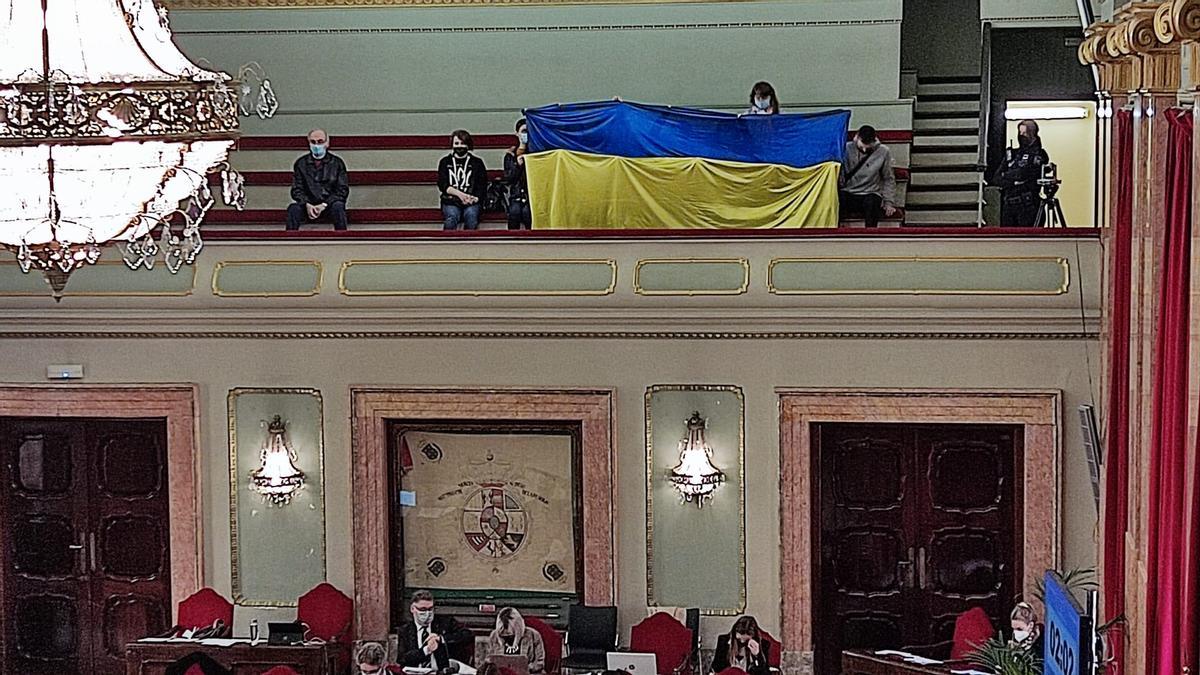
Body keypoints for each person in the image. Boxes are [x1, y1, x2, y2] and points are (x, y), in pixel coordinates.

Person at [286, 128, 349, 231]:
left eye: (320, 141)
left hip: (329, 205)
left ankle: (342, 240)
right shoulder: (301, 164)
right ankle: (289, 242)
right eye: (313, 142)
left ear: (327, 143)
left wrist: (324, 204)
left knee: (338, 207)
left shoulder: (337, 163)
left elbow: (342, 190)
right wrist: (307, 204)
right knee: (293, 209)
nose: (316, 145)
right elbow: (297, 190)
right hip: (307, 206)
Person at [993, 119, 1050, 227]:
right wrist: (1012, 180)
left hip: (1028, 205)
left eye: (1025, 133)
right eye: (1020, 133)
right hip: (1008, 206)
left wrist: (1008, 175)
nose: (1021, 136)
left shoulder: (1040, 155)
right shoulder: (1012, 154)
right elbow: (996, 178)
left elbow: (1024, 173)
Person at [839, 124, 898, 228]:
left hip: (869, 192)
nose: (865, 150)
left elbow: (888, 178)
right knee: (836, 200)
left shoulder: (883, 151)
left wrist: (889, 202)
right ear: (857, 138)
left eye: (868, 146)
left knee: (873, 203)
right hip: (848, 192)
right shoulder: (846, 148)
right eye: (862, 145)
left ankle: (870, 235)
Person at [399, 589, 474, 670]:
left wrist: (441, 639)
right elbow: (402, 659)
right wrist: (426, 650)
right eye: (423, 609)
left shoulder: (445, 622)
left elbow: (468, 634)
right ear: (413, 609)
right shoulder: (405, 630)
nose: (427, 613)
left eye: (430, 609)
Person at [438, 130, 488, 231]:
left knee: (471, 216)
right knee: (452, 217)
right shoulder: (445, 162)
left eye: (463, 143)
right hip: (451, 200)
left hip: (472, 200)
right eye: (456, 143)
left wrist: (475, 198)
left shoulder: (477, 163)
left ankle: (470, 245)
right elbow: (443, 185)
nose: (459, 146)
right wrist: (461, 195)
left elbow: (482, 185)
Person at [485, 607, 546, 673]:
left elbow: (540, 663)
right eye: (503, 635)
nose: (507, 637)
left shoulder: (533, 635)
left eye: (510, 635)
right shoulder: (494, 636)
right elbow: (489, 660)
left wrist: (525, 668)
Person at [505, 119, 532, 230]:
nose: (525, 134)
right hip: (516, 195)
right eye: (523, 131)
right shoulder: (510, 155)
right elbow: (509, 178)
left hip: (531, 195)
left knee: (527, 212)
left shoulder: (535, 152)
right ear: (517, 133)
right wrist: (517, 165)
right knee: (514, 212)